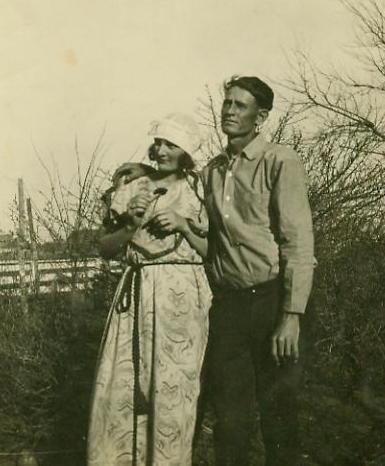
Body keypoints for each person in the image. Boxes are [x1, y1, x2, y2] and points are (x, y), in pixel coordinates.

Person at [113, 75, 315, 466]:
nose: (229, 110)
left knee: (278, 415)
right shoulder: (213, 170)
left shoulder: (279, 161)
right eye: (227, 102)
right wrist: (139, 168)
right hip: (228, 305)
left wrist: (291, 316)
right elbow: (174, 175)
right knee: (230, 420)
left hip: (274, 300)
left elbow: (298, 243)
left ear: (262, 116)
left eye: (240, 105)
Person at [87, 113, 212, 466]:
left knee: (174, 389)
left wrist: (186, 226)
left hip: (182, 297)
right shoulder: (130, 189)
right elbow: (106, 248)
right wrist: (130, 223)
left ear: (185, 151)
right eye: (158, 142)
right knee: (123, 388)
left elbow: (213, 253)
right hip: (135, 293)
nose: (161, 150)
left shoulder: (201, 190)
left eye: (170, 144)